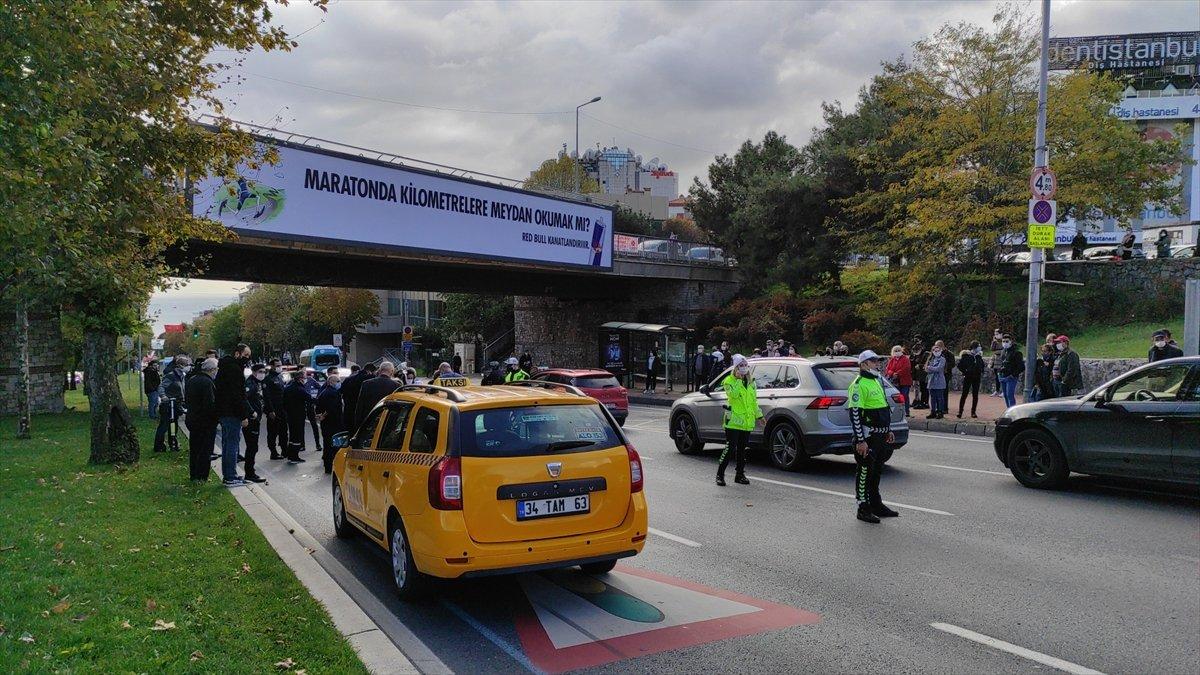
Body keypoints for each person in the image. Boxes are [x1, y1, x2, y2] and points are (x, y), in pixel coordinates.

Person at [847, 350, 898, 524]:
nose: (877, 363)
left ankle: (876, 504)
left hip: (881, 435)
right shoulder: (858, 384)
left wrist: (888, 429)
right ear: (864, 364)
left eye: (877, 360)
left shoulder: (876, 381)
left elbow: (882, 408)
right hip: (868, 437)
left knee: (876, 472)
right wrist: (861, 440)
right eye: (873, 361)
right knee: (864, 472)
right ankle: (863, 508)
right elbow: (855, 413)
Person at [716, 354, 761, 487]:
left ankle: (739, 474)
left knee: (742, 450)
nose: (744, 368)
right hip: (734, 421)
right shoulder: (729, 381)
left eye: (745, 365)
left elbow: (753, 402)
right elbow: (733, 395)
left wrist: (760, 416)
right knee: (730, 448)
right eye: (740, 366)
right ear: (735, 368)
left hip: (746, 422)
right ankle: (720, 474)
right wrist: (738, 380)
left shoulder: (751, 382)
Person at [214, 343, 253, 485]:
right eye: (246, 355)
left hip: (225, 411)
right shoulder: (234, 370)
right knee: (232, 444)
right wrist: (243, 415)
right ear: (237, 354)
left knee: (227, 444)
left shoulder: (225, 367)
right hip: (232, 413)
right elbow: (237, 395)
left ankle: (229, 474)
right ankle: (230, 476)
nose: (247, 358)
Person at [184, 358, 219, 481]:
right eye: (216, 369)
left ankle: (194, 474)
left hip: (193, 419)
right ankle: (202, 476)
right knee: (205, 450)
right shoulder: (208, 383)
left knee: (195, 449)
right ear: (212, 370)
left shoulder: (192, 380)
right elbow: (210, 404)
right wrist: (216, 418)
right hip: (205, 422)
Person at [153, 356, 189, 453]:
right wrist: (164, 396)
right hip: (168, 404)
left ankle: (173, 443)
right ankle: (159, 446)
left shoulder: (182, 376)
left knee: (174, 425)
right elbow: (161, 387)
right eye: (187, 365)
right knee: (164, 425)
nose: (188, 367)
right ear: (181, 365)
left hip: (176, 404)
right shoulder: (171, 375)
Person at [242, 363, 267, 483]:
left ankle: (250, 471)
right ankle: (249, 473)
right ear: (254, 372)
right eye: (261, 371)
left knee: (253, 446)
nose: (263, 374)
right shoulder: (250, 384)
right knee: (252, 446)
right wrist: (251, 412)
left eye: (264, 372)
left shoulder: (257, 383)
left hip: (255, 419)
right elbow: (244, 399)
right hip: (251, 420)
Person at [316, 373, 344, 474]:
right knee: (333, 446)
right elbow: (332, 408)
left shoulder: (324, 392)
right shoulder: (333, 393)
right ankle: (331, 466)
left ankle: (327, 465)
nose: (339, 383)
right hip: (333, 424)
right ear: (331, 382)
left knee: (327, 444)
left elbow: (318, 408)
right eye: (338, 381)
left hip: (327, 424)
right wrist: (324, 415)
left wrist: (321, 415)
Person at [282, 368, 311, 463]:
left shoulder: (288, 388)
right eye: (304, 378)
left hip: (290, 415)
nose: (305, 379)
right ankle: (294, 456)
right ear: (300, 379)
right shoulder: (300, 389)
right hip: (298, 415)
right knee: (297, 436)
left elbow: (284, 402)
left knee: (292, 436)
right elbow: (309, 398)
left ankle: (290, 455)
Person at [262, 358, 288, 460]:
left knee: (284, 431)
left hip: (282, 409)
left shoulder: (280, 377)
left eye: (280, 365)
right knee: (273, 432)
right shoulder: (268, 379)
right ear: (272, 366)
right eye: (277, 365)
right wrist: (270, 410)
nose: (279, 367)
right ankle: (273, 452)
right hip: (274, 409)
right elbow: (267, 397)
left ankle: (284, 450)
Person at [340, 362, 376, 434]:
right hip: (363, 412)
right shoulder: (370, 380)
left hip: (349, 410)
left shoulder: (349, 379)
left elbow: (341, 392)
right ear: (369, 371)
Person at [956, 342, 985, 418]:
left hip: (976, 378)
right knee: (964, 394)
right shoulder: (966, 356)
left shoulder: (979, 356)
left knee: (975, 395)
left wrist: (980, 370)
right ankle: (960, 411)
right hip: (968, 377)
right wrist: (965, 372)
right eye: (978, 346)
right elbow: (960, 365)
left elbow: (982, 366)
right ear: (974, 347)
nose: (980, 348)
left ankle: (973, 412)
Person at [884, 345, 913, 417]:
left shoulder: (905, 359)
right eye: (895, 351)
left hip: (905, 381)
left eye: (898, 350)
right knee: (898, 398)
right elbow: (887, 369)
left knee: (905, 396)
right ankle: (899, 412)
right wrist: (892, 373)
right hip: (895, 382)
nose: (897, 352)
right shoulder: (892, 360)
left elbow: (906, 368)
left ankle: (906, 411)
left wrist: (897, 374)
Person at [998, 334, 1024, 408]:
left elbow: (1021, 367)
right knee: (1005, 395)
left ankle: (1012, 411)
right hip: (1003, 375)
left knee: (1010, 395)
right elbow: (1002, 362)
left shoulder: (1017, 353)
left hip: (1011, 377)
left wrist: (1013, 375)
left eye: (1007, 341)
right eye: (1003, 341)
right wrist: (999, 372)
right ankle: (1008, 410)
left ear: (1011, 342)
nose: (1005, 343)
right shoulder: (1003, 351)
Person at [924, 341, 948, 419]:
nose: (936, 352)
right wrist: (929, 368)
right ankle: (933, 411)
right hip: (931, 381)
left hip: (939, 381)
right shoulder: (931, 359)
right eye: (935, 351)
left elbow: (939, 369)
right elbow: (926, 368)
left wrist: (930, 368)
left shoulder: (942, 359)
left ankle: (940, 412)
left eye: (938, 351)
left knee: (940, 397)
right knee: (932, 397)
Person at [910, 339, 929, 409]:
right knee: (916, 388)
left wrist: (920, 366)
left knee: (924, 389)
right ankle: (917, 400)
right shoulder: (914, 353)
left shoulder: (926, 353)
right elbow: (911, 361)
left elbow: (927, 363)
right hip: (916, 373)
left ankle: (924, 402)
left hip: (923, 374)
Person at [989, 329, 1004, 396]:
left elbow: (1003, 351)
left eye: (997, 334)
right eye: (995, 334)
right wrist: (993, 342)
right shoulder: (995, 342)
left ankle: (1003, 391)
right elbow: (992, 349)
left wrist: (997, 352)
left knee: (1002, 376)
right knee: (996, 377)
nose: (996, 335)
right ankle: (997, 390)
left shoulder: (1004, 341)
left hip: (1001, 360)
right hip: (995, 361)